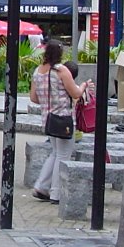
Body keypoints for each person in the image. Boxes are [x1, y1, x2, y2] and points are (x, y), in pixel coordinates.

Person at [31, 39, 86, 205]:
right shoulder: (61, 70)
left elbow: (34, 98)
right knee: (63, 154)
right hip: (63, 118)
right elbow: (75, 93)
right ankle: (55, 193)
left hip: (47, 118)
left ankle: (41, 186)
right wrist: (83, 86)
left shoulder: (37, 71)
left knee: (54, 152)